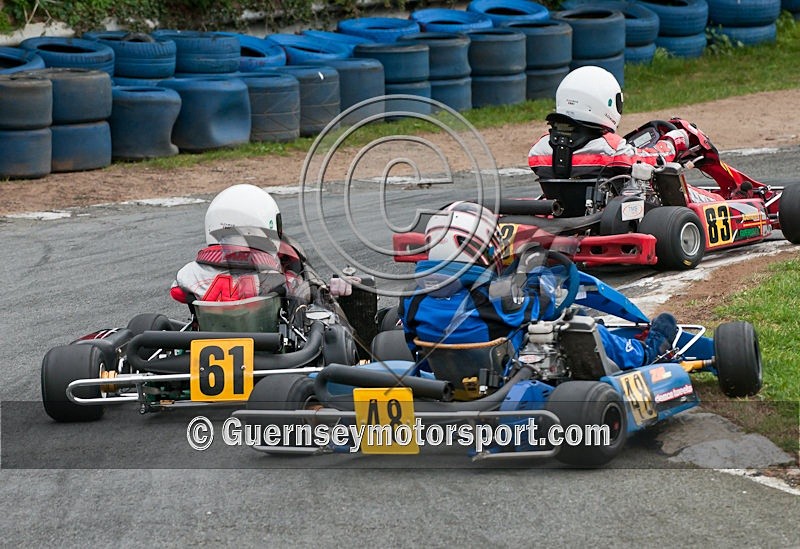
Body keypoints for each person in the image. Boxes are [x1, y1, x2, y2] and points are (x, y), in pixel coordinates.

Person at [398, 201, 678, 370]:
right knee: (578, 325)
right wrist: (536, 271)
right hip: (500, 373)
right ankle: (647, 352)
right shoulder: (495, 294)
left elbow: (413, 346)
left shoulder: (411, 298)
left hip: (443, 374)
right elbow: (542, 304)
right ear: (474, 246)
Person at [171, 183, 353, 309]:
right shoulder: (280, 276)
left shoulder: (189, 274)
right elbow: (309, 294)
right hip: (271, 344)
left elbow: (177, 291)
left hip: (205, 338)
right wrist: (331, 289)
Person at [527, 65, 691, 180]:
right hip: (605, 218)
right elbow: (652, 158)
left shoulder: (539, 149)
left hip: (559, 211)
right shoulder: (611, 148)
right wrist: (674, 141)